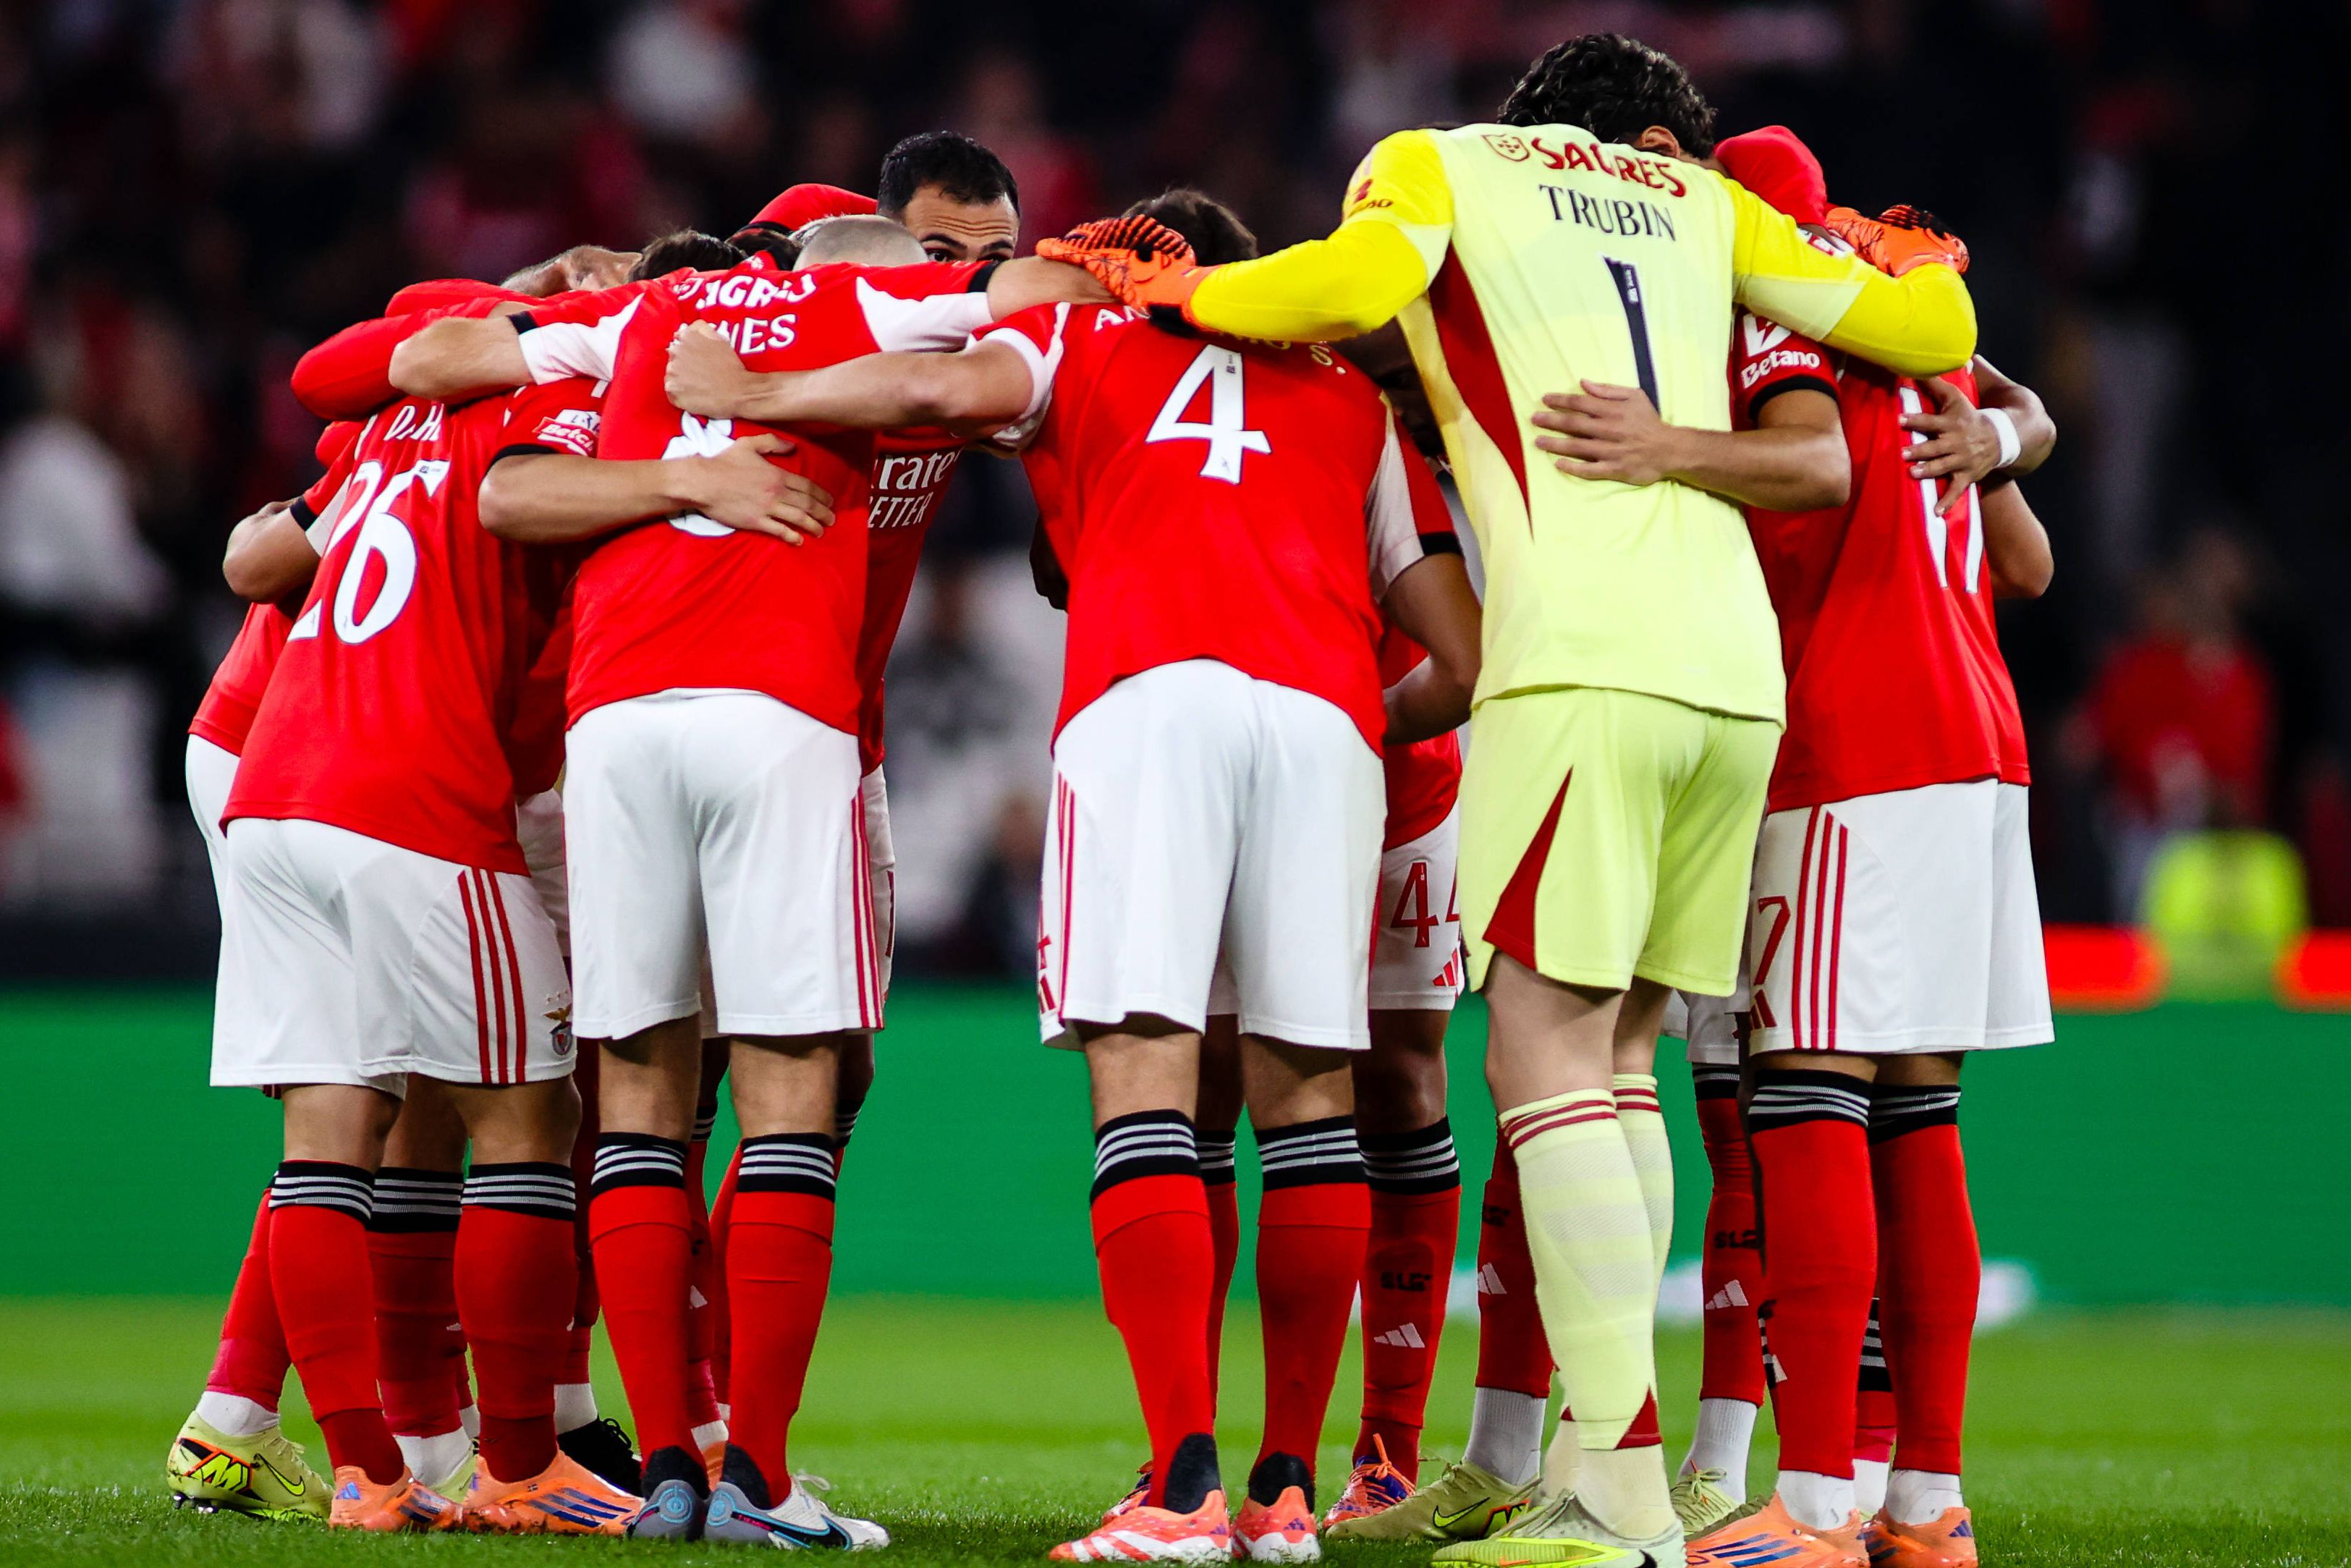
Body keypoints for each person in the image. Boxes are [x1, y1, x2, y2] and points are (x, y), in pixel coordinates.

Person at [1047, 32, 1978, 1568]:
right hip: (1732, 677)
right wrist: (1917, 259)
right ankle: (1615, 1470)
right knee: (1621, 1055)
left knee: (1541, 1048)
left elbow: (1342, 291)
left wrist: (1181, 293)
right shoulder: (1700, 202)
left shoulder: (1438, 165)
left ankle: (1607, 1497)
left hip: (1579, 664)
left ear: (1523, 120)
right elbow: (1921, 315)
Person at [662, 190, 1481, 1564]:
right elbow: (1458, 661)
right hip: (1327, 724)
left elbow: (939, 382)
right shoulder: (1346, 391)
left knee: (1146, 1078)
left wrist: (765, 382)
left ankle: (1177, 1487)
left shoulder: (1081, 334)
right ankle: (1286, 1488)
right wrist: (1345, 714)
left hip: (1148, 701)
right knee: (1308, 1100)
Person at [384, 220, 1105, 1545]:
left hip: (614, 722)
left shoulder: (638, 318)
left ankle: (664, 1466)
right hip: (776, 711)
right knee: (788, 1089)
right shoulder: (861, 299)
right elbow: (1047, 288)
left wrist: (656, 449)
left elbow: (435, 364)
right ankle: (756, 1480)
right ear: (838, 258)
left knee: (644, 1097)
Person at [1653, 130, 2054, 1568]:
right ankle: (1924, 1505)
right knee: (1916, 1115)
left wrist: (1660, 454)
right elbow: (2028, 566)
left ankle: (1814, 1507)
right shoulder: (1919, 338)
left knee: (1802, 1093)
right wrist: (2014, 434)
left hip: (1851, 746)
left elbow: (1810, 468)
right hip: (1976, 750)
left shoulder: (1781, 316)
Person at [212, 368, 645, 1532]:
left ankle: (369, 1476)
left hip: (274, 794)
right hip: (415, 806)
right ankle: (518, 1468)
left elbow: (262, 551)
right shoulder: (537, 417)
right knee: (527, 1123)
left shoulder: (385, 435)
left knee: (325, 1142)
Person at [164, 431, 360, 1524]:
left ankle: (234, 1420)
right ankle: (389, 1455)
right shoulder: (438, 433)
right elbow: (256, 560)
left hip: (303, 745)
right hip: (285, 750)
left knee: (374, 1095)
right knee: (357, 1096)